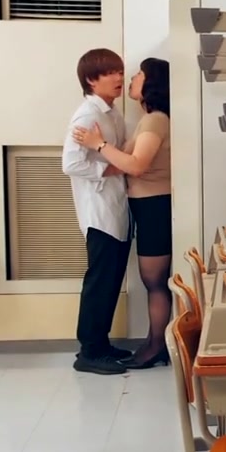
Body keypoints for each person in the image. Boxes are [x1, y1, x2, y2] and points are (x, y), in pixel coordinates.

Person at [72, 57, 173, 370]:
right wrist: (105, 158)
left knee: (155, 281)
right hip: (143, 207)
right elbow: (122, 162)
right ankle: (151, 344)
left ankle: (156, 346)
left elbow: (137, 165)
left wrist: (99, 144)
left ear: (152, 82)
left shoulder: (155, 120)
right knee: (151, 281)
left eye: (138, 74)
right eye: (113, 72)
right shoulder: (142, 119)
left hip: (154, 206)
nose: (128, 78)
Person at [62, 48, 134, 376]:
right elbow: (71, 164)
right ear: (92, 80)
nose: (119, 77)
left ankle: (101, 345)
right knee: (100, 281)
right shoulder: (87, 116)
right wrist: (110, 169)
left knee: (111, 280)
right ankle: (89, 351)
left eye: (120, 71)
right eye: (110, 73)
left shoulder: (112, 112)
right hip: (99, 211)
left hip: (116, 207)